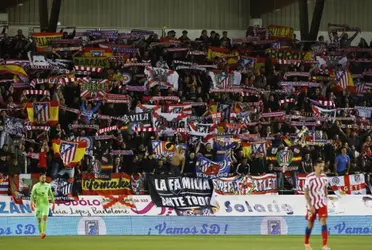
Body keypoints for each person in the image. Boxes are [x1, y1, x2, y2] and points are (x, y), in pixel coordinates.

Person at [304, 159, 330, 250]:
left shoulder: (325, 177)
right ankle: (306, 243)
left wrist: (326, 199)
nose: (321, 168)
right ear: (315, 167)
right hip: (312, 204)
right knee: (310, 224)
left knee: (323, 221)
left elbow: (325, 189)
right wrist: (310, 206)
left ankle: (325, 245)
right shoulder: (309, 178)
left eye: (322, 166)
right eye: (319, 166)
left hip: (322, 203)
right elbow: (306, 192)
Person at [30, 173, 55, 239]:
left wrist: (53, 204)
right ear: (39, 178)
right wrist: (31, 204)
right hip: (38, 204)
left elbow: (51, 195)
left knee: (45, 217)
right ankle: (40, 232)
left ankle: (43, 232)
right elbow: (32, 195)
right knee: (39, 219)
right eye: (43, 178)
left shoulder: (48, 185)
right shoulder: (36, 186)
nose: (44, 179)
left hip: (46, 204)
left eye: (45, 178)